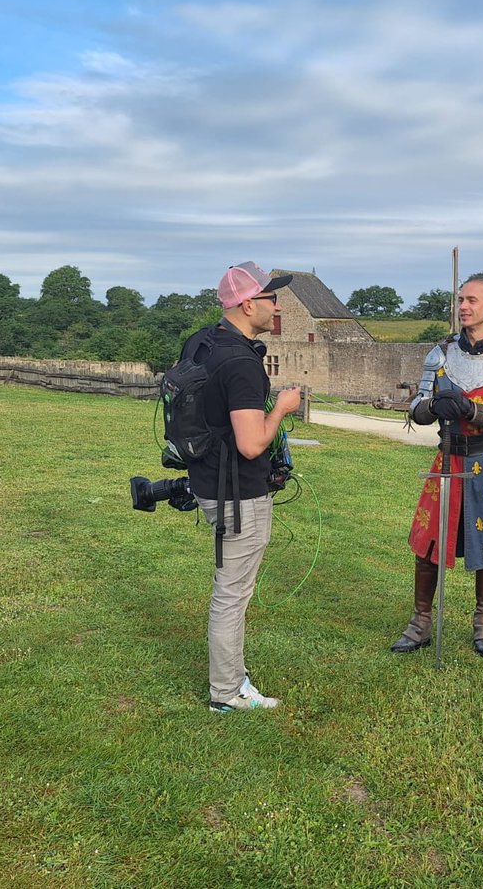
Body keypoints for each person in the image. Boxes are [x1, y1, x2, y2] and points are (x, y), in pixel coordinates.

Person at [185, 261, 303, 713]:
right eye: (271, 298)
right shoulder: (241, 363)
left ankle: (229, 682)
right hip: (239, 493)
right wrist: (283, 408)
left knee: (229, 590)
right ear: (248, 303)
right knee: (232, 594)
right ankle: (228, 693)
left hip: (207, 479)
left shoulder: (201, 342)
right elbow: (252, 443)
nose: (276, 306)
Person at [392, 277, 483, 658]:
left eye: (472, 300)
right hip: (446, 458)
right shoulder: (440, 354)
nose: (463, 306)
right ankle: (420, 622)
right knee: (428, 543)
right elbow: (417, 408)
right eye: (460, 300)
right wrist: (434, 406)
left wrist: (472, 410)